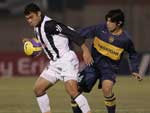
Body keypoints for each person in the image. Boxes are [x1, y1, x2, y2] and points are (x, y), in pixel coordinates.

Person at [23, 3, 94, 113]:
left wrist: (85, 50)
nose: (29, 21)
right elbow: (47, 42)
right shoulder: (37, 28)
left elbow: (71, 33)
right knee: (38, 89)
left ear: (39, 14)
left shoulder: (49, 24)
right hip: (54, 63)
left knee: (72, 91)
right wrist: (31, 44)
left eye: (31, 17)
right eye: (27, 18)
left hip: (66, 60)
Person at [70, 9, 143, 113]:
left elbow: (133, 54)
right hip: (92, 65)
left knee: (107, 88)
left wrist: (135, 69)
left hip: (109, 69)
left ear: (119, 23)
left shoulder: (125, 39)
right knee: (75, 90)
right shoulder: (100, 29)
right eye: (107, 21)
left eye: (110, 22)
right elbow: (79, 34)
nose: (107, 23)